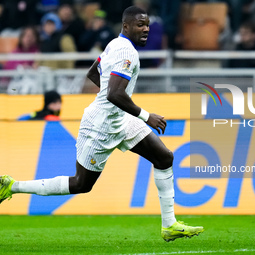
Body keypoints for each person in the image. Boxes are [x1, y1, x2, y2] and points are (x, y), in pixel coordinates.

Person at [0, 6, 204, 242]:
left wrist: (116, 99)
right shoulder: (126, 52)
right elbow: (113, 95)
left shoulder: (113, 44)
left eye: (147, 24)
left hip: (120, 119)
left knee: (164, 158)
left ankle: (169, 225)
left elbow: (93, 74)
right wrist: (148, 116)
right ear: (126, 26)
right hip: (100, 126)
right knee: (81, 184)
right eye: (140, 25)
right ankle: (12, 186)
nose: (146, 28)